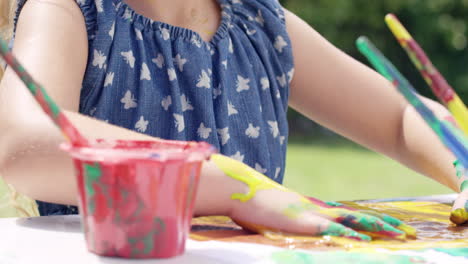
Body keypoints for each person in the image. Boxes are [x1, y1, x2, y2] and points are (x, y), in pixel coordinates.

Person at [0, 0, 466, 240]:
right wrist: (237, 186)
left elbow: (400, 117)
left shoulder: (260, 23)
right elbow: (26, 140)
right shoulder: (69, 12)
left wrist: (461, 162)